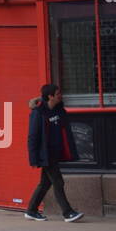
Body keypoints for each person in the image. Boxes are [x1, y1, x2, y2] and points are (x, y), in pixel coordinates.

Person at [24, 84, 82, 222]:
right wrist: (33, 158)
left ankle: (31, 210)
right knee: (58, 181)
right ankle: (68, 213)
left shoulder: (58, 110)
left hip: (56, 152)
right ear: (50, 96)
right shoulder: (38, 113)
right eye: (57, 93)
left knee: (45, 183)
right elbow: (32, 137)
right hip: (46, 154)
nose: (60, 95)